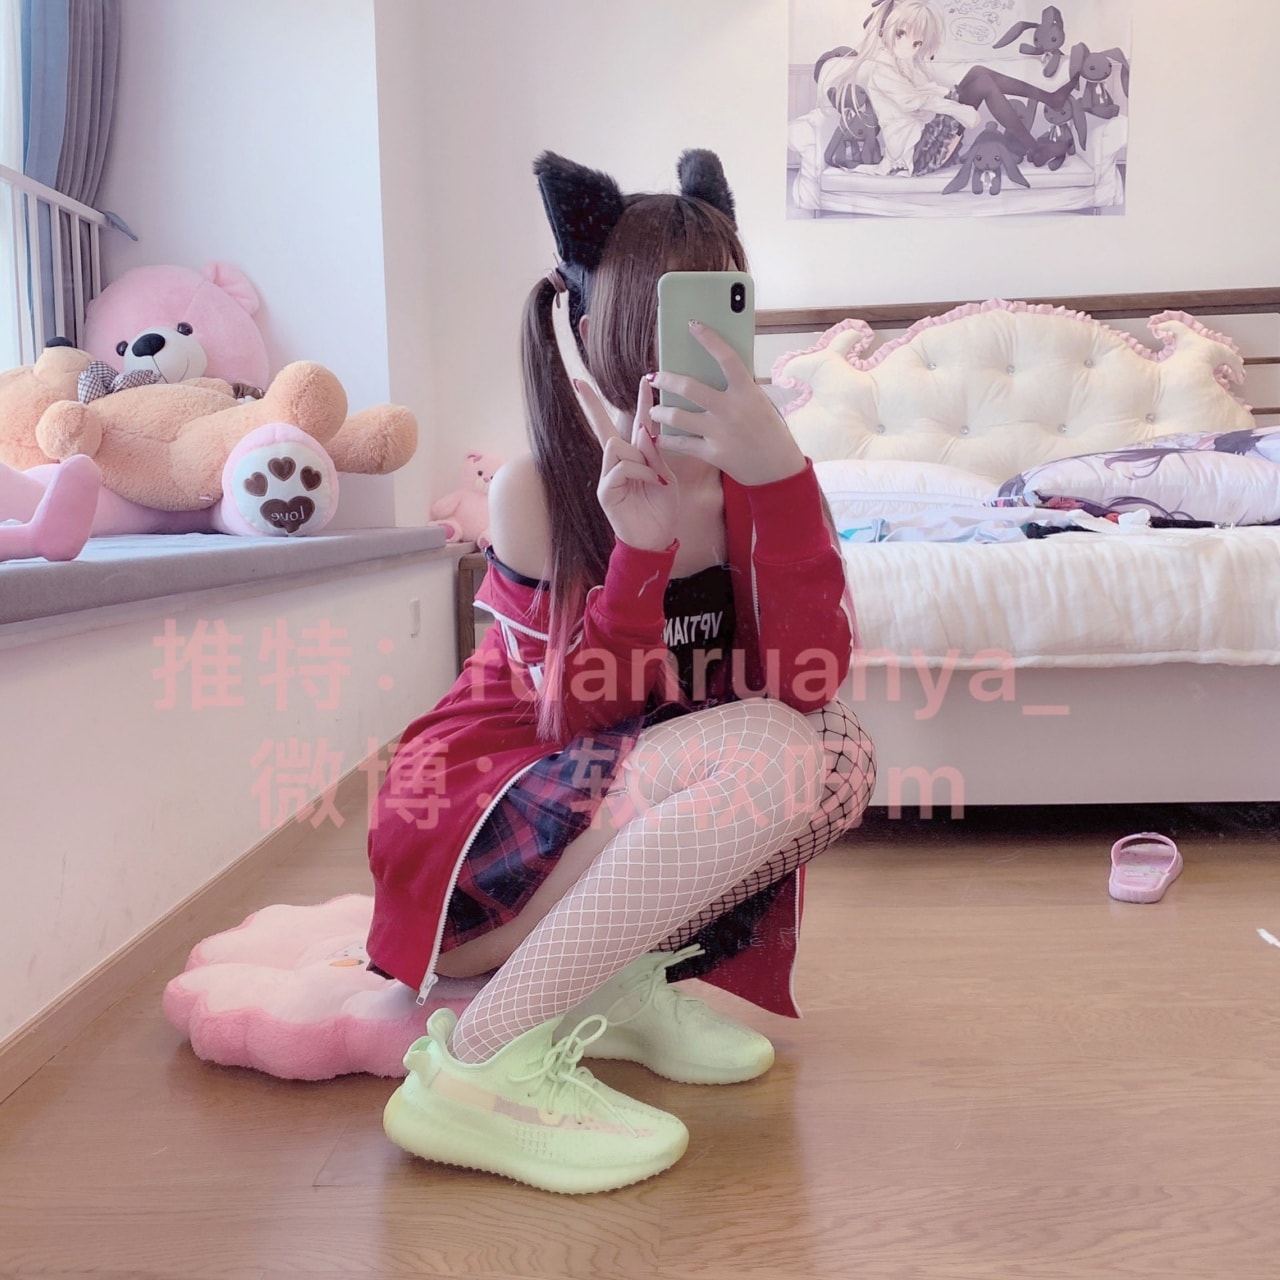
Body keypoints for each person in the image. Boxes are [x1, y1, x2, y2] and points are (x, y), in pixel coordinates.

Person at [366, 148, 875, 1195]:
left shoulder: (763, 479)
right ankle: (476, 1071)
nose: (691, 351)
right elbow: (573, 721)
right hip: (487, 836)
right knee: (782, 753)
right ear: (597, 331)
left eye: (721, 310)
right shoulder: (537, 489)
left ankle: (614, 984)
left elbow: (808, 683)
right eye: (662, 323)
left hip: (599, 826)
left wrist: (782, 484)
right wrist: (638, 553)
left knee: (835, 754)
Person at [820, 0, 1080, 176]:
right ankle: (1037, 145)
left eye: (917, 43)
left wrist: (952, 95)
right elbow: (914, 101)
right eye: (901, 34)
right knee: (982, 83)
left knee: (978, 73)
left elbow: (928, 88)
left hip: (926, 135)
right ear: (887, 30)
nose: (911, 46)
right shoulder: (882, 70)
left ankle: (1050, 101)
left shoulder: (904, 62)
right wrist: (958, 109)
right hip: (918, 151)